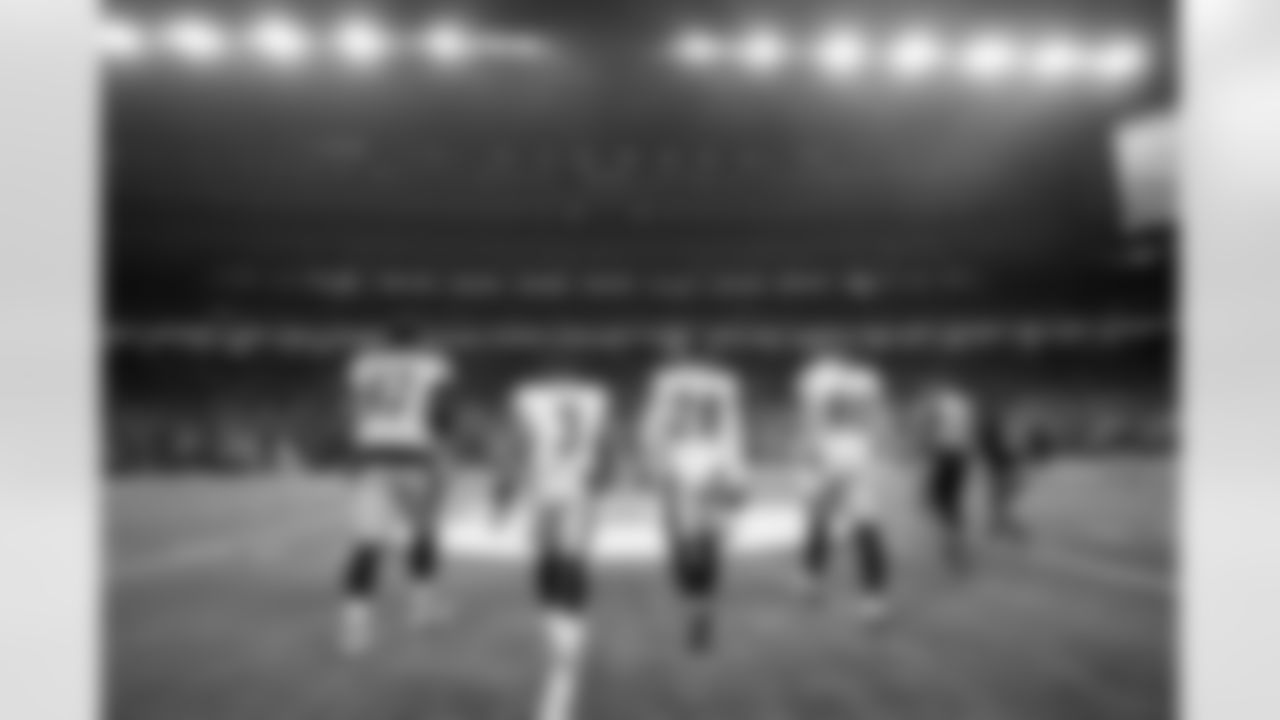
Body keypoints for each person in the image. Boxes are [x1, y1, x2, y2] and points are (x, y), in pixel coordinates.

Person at [338, 326, 460, 656]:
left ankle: (355, 628)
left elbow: (351, 411)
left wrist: (354, 450)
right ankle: (422, 607)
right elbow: (444, 413)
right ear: (416, 342)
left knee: (367, 544)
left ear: (386, 341)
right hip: (414, 455)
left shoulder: (363, 365)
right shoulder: (433, 364)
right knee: (422, 533)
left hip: (371, 456)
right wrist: (444, 451)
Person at [506, 350, 614, 720]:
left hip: (543, 488)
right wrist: (604, 478)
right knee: (570, 562)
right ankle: (568, 638)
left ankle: (561, 640)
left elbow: (518, 442)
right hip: (577, 488)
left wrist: (504, 485)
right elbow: (606, 445)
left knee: (550, 564)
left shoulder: (528, 398)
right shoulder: (595, 398)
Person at [639, 328, 748, 653]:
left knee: (679, 541)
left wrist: (652, 466)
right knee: (708, 541)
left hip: (677, 464)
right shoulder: (725, 383)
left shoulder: (666, 381)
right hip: (714, 464)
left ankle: (692, 606)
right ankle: (703, 606)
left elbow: (653, 427)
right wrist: (736, 474)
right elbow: (734, 430)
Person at [794, 340, 892, 621]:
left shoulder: (817, 376)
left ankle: (812, 580)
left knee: (821, 521)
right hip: (859, 456)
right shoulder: (868, 379)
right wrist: (874, 453)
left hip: (828, 455)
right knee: (865, 527)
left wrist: (810, 457)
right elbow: (878, 421)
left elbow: (811, 419)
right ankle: (873, 599)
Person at [915, 381, 980, 574]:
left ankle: (953, 541)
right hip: (961, 456)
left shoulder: (940, 404)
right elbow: (969, 431)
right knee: (949, 500)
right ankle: (954, 540)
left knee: (937, 499)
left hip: (946, 455)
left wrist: (924, 447)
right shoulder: (963, 404)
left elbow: (930, 428)